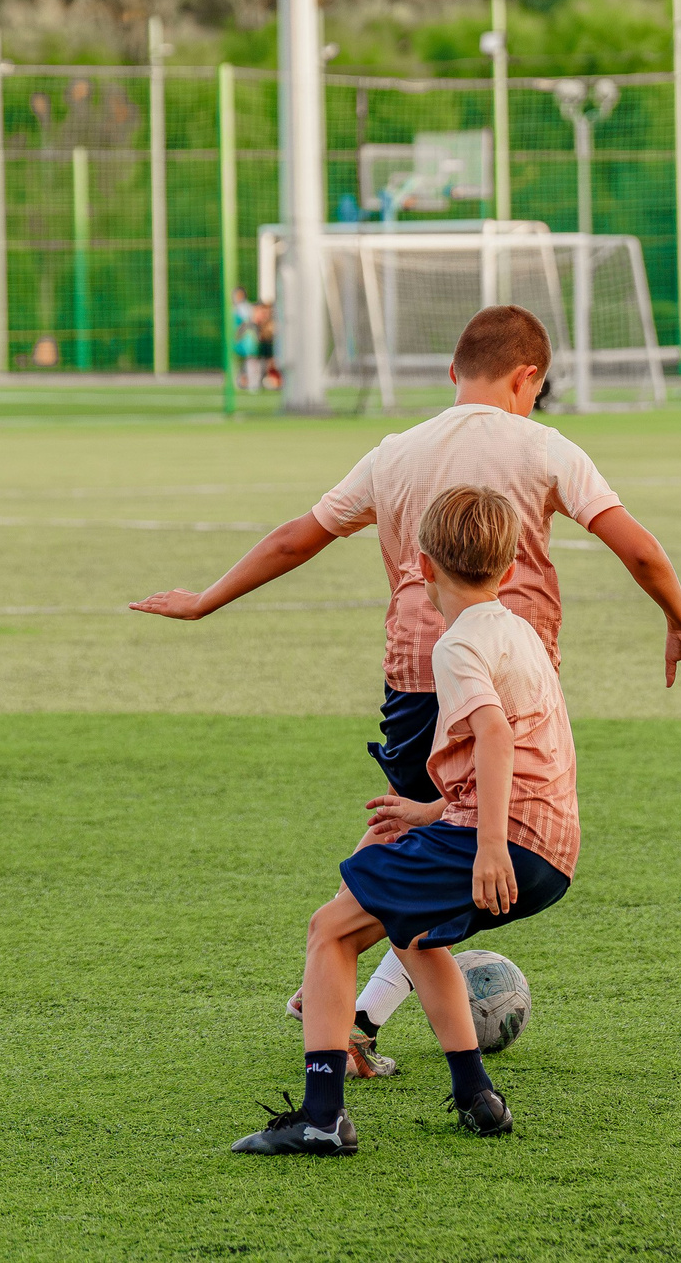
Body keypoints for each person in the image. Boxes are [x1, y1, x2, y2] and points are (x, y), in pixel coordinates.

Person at [130, 303, 681, 1073]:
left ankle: (352, 1008)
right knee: (469, 847)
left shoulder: (395, 452)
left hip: (415, 677)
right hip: (512, 679)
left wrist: (207, 596)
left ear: (451, 373)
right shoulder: (544, 447)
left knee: (418, 837)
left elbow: (295, 538)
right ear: (527, 378)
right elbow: (637, 550)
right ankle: (347, 989)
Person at [229, 485, 578, 1153]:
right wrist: (435, 812)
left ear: (420, 565)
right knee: (414, 934)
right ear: (509, 571)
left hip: (505, 843)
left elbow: (498, 738)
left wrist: (486, 848)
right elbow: (529, 745)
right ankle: (478, 1097)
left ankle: (322, 1118)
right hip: (553, 847)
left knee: (330, 930)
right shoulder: (519, 632)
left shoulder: (457, 646)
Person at [231, 288, 261, 392]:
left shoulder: (244, 308)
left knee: (250, 360)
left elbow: (247, 323)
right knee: (241, 360)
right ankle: (240, 382)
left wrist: (239, 334)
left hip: (246, 338)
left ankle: (253, 384)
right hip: (239, 338)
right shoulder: (236, 308)